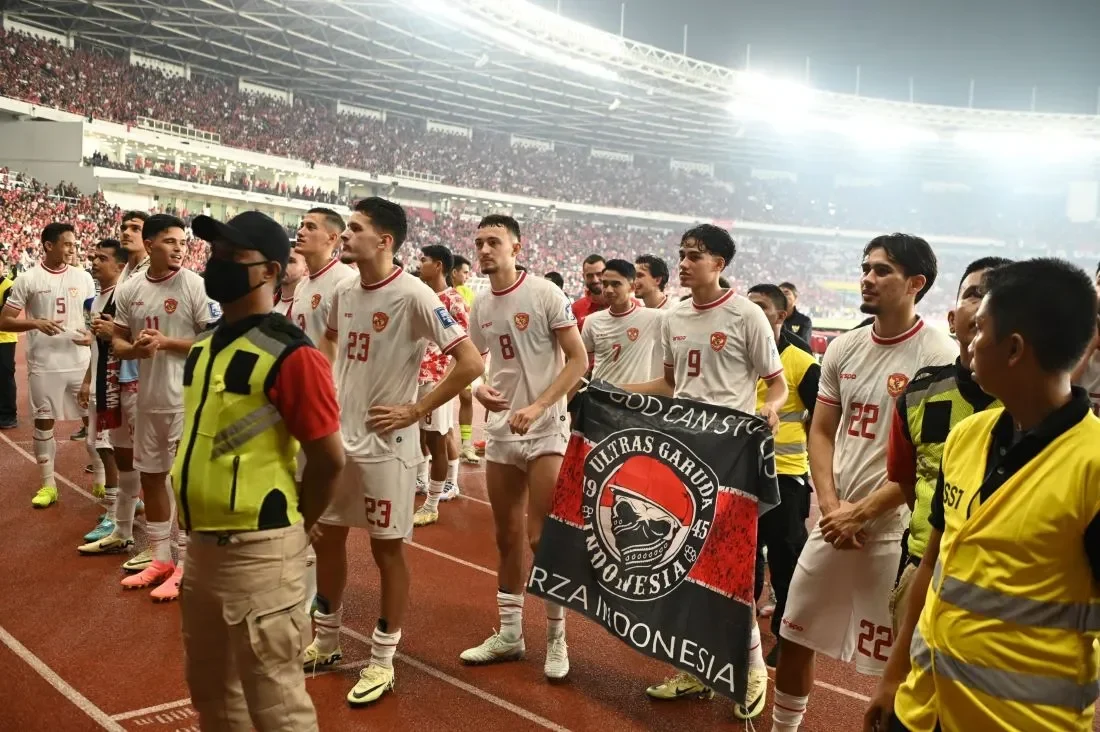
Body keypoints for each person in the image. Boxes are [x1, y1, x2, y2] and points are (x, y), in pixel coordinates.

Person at [866, 258, 1100, 732]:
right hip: (921, 710)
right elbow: (933, 564)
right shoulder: (967, 436)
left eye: (980, 331)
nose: (969, 343)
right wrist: (893, 679)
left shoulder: (1093, 466)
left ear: (1013, 349)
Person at [770, 234, 958, 732]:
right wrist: (832, 506)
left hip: (894, 535)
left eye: (883, 271)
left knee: (894, 667)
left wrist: (864, 511)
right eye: (866, 268)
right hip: (833, 526)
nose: (868, 278)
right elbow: (822, 430)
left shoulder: (939, 357)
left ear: (916, 283)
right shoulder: (844, 347)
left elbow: (933, 463)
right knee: (793, 635)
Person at [306, 197, 482, 706]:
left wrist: (415, 409)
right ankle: (327, 639)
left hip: (389, 446)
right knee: (328, 539)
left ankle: (382, 659)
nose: (346, 235)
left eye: (355, 228)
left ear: (384, 241)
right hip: (340, 438)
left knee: (387, 550)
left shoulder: (415, 296)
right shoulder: (342, 289)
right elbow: (331, 346)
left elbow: (469, 362)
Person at [174, 210, 345, 731]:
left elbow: (329, 458)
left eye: (233, 257)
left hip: (261, 555)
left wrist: (299, 523)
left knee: (276, 708)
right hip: (201, 550)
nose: (217, 264)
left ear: (270, 270)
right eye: (215, 255)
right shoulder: (204, 347)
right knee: (212, 696)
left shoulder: (293, 355)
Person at [623, 224, 787, 720]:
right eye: (682, 254)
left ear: (719, 263)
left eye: (694, 255)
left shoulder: (746, 315)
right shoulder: (671, 317)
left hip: (731, 460)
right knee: (685, 565)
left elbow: (775, 384)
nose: (685, 262)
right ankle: (696, 668)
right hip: (682, 458)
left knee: (731, 567)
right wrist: (617, 390)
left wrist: (772, 409)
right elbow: (671, 384)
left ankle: (753, 668)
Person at [459, 214, 588, 680]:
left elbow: (578, 360)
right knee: (506, 535)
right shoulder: (480, 305)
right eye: (479, 242)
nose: (485, 249)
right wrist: (478, 388)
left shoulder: (545, 294)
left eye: (494, 241)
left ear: (516, 247)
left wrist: (539, 406)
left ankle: (557, 638)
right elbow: (474, 359)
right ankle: (510, 635)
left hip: (546, 427)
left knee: (541, 537)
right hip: (500, 431)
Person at [859, 257, 1010, 638]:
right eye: (973, 294)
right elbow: (907, 480)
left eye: (996, 295)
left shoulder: (1030, 401)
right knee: (909, 687)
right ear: (951, 317)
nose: (983, 305)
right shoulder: (918, 395)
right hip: (923, 564)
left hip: (1006, 582)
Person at [111, 214, 221, 602]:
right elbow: (118, 343)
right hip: (148, 399)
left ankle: (189, 564)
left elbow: (214, 342)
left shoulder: (195, 285)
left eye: (182, 242)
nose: (179, 248)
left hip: (187, 400)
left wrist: (167, 343)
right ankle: (160, 558)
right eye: (171, 241)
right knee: (152, 476)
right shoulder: (130, 290)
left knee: (184, 482)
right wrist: (136, 350)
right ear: (152, 242)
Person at [745, 283, 820, 668]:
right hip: (740, 474)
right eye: (749, 305)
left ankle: (787, 637)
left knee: (786, 559)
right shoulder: (738, 354)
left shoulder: (802, 362)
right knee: (744, 556)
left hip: (785, 476)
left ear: (781, 314)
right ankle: (743, 633)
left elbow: (823, 420)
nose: (752, 311)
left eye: (761, 306)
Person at [0, 222, 95, 508]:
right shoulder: (28, 279)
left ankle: (103, 481)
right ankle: (48, 484)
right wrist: (36, 322)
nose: (72, 249)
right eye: (66, 244)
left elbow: (94, 317)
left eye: (74, 244)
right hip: (44, 364)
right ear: (48, 245)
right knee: (44, 422)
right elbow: (4, 320)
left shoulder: (84, 277)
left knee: (93, 420)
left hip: (80, 363)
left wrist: (91, 335)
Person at [78, 212, 151, 568]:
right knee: (122, 455)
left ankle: (160, 546)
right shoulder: (126, 274)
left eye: (135, 229)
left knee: (153, 463)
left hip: (144, 378)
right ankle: (121, 530)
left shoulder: (155, 275)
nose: (127, 232)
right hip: (117, 373)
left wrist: (116, 335)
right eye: (125, 227)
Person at [76, 239, 130, 544]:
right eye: (94, 256)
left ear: (120, 266)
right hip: (99, 380)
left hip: (115, 384)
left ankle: (113, 516)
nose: (95, 262)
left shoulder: (123, 297)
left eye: (103, 258)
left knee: (109, 449)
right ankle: (126, 501)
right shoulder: (94, 302)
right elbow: (98, 345)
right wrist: (87, 379)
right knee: (97, 445)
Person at [413, 244, 470, 526]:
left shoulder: (454, 302)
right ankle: (423, 482)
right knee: (421, 437)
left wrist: (447, 379)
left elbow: (465, 348)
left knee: (438, 438)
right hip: (416, 377)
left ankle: (432, 503)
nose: (418, 263)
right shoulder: (419, 296)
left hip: (437, 380)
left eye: (423, 260)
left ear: (437, 266)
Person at [578, 259, 663, 388]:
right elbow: (582, 366)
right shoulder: (592, 321)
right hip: (599, 400)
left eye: (616, 284)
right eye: (605, 284)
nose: (608, 290)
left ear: (632, 287)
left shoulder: (653, 317)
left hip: (633, 403)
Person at [452, 254, 479, 464]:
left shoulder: (470, 294)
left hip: (461, 356)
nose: (468, 276)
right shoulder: (437, 293)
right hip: (439, 358)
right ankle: (436, 445)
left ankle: (466, 445)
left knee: (466, 398)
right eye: (465, 272)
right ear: (454, 272)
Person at [570, 253, 608, 330]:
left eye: (599, 274)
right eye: (590, 275)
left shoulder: (621, 304)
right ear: (584, 277)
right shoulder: (575, 309)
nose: (595, 280)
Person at [0, 266, 17, 429]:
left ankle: (8, 415)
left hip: (4, 338)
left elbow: (7, 314)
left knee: (5, 377)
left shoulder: (8, 286)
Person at [274, 249, 307, 316]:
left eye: (290, 261)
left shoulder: (310, 307)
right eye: (280, 260)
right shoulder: (267, 302)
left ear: (306, 269)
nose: (282, 265)